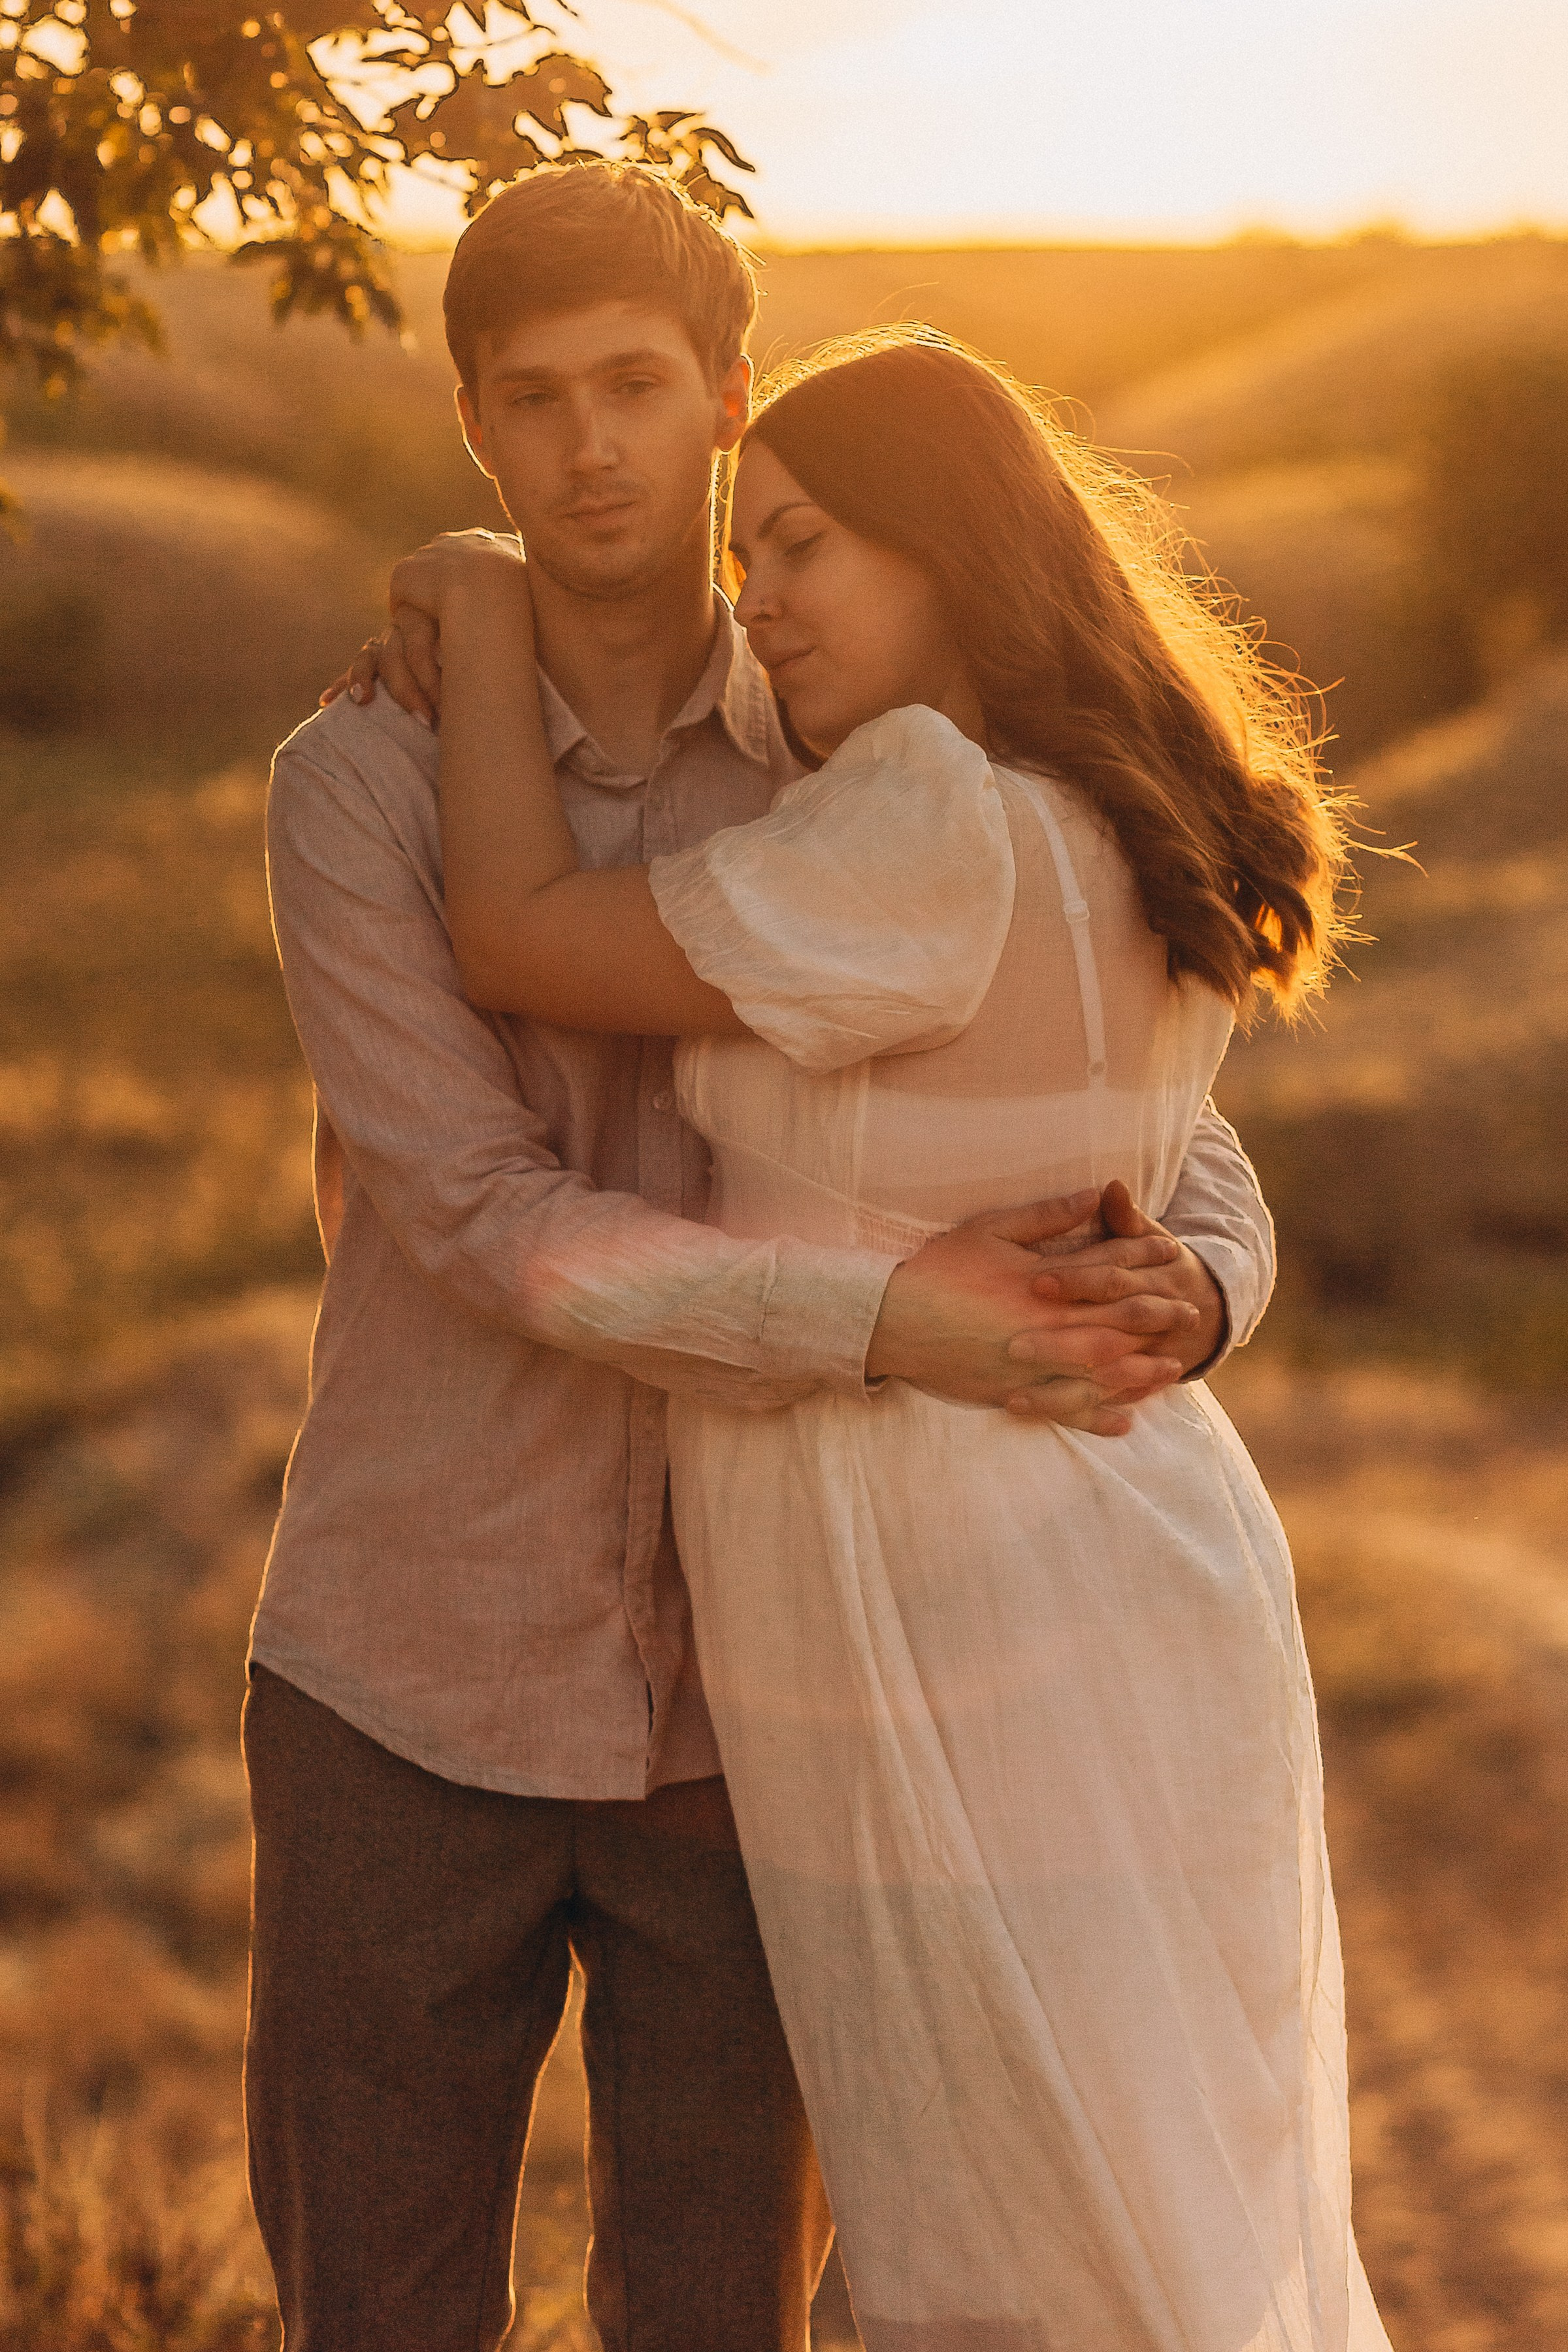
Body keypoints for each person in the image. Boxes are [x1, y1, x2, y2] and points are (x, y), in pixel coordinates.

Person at [256, 163, 1278, 2352]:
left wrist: (1200, 1280)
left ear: (730, 398)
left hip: (772, 1709)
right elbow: (488, 1223)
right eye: (529, 404)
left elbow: (1142, 1104)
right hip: (410, 1664)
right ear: (473, 431)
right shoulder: (365, 779)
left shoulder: (855, 759)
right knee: (378, 2316)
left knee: (725, 2325)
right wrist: (906, 1321)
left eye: (637, 386)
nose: (589, 447)